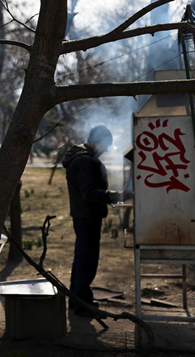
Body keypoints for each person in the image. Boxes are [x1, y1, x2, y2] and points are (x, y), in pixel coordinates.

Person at [62, 125, 127, 316]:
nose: (107, 149)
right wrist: (117, 196)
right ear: (97, 142)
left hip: (82, 215)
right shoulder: (85, 162)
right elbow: (89, 192)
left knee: (81, 259)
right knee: (87, 261)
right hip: (88, 216)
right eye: (106, 145)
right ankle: (83, 305)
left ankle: (78, 301)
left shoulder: (80, 158)